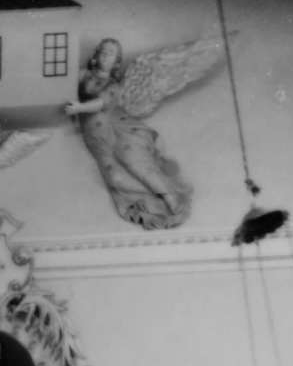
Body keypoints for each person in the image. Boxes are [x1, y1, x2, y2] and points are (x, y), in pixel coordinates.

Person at [65, 36, 222, 231]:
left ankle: (169, 195)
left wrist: (79, 108)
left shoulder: (113, 85)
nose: (106, 56)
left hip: (119, 129)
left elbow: (102, 102)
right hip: (96, 137)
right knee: (116, 178)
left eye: (111, 54)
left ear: (116, 62)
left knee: (133, 161)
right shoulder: (83, 75)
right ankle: (153, 198)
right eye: (103, 52)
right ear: (96, 55)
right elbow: (61, 84)